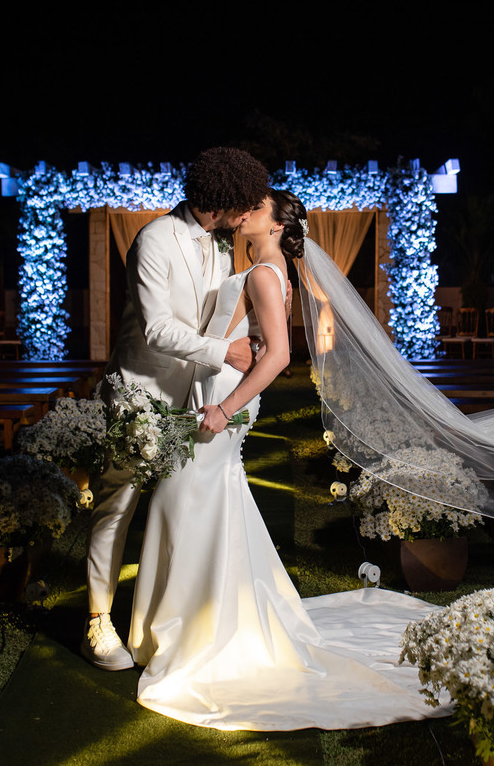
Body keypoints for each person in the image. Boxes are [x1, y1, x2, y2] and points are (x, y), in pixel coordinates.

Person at [127, 189, 451, 730]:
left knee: (184, 500)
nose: (246, 212)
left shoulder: (262, 273)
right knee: (197, 503)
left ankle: (192, 633)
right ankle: (193, 623)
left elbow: (279, 354)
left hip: (224, 400)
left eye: (257, 208)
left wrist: (226, 408)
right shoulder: (265, 268)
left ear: (277, 225)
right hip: (221, 389)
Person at [82, 147, 271, 671]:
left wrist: (247, 343)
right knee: (116, 510)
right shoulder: (154, 239)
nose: (248, 216)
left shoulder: (220, 247)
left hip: (193, 402)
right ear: (225, 201)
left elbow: (217, 317)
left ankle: (167, 624)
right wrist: (225, 352)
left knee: (176, 514)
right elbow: (156, 328)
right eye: (244, 205)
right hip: (138, 394)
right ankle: (98, 622)